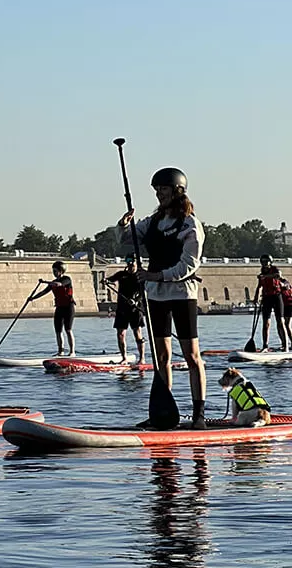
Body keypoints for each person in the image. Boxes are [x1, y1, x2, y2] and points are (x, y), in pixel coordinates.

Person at [118, 166, 208, 430]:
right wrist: (123, 225)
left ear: (177, 191)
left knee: (191, 355)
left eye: (164, 189)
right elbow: (128, 239)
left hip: (182, 294)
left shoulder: (190, 225)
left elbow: (187, 266)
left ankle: (198, 415)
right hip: (156, 297)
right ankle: (163, 413)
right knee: (161, 356)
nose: (159, 194)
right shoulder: (154, 221)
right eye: (156, 190)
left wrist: (155, 276)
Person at [105, 255, 146, 364]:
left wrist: (136, 300)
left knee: (137, 333)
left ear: (137, 262)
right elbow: (110, 279)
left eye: (132, 261)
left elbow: (144, 292)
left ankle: (142, 359)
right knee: (120, 334)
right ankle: (124, 358)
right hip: (122, 309)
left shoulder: (141, 275)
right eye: (128, 261)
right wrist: (106, 281)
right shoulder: (121, 274)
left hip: (135, 309)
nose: (130, 263)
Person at [31, 261, 76, 357]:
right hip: (59, 308)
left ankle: (72, 352)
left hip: (68, 307)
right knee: (58, 331)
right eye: (53, 271)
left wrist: (44, 282)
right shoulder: (52, 283)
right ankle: (60, 351)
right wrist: (32, 298)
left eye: (55, 271)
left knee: (68, 329)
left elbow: (59, 284)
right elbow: (43, 292)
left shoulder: (67, 279)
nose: (54, 273)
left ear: (61, 271)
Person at [253, 255, 287, 351]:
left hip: (277, 296)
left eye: (266, 261)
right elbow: (259, 286)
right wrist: (256, 297)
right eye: (263, 261)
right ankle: (265, 346)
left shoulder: (274, 269)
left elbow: (278, 275)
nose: (264, 263)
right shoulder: (262, 273)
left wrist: (265, 276)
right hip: (267, 298)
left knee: (280, 322)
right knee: (266, 323)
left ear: (270, 262)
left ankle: (285, 345)